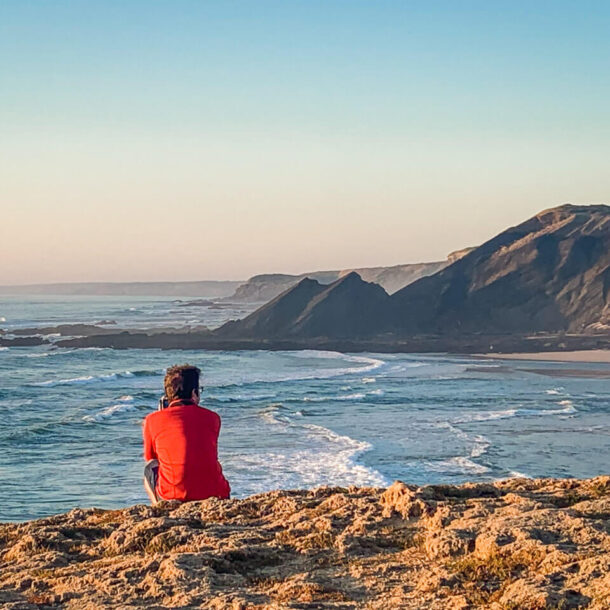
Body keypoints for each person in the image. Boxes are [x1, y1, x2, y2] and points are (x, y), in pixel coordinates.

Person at [143, 364, 230, 503]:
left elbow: (151, 458)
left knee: (149, 468)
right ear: (194, 393)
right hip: (217, 494)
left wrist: (161, 417)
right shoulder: (213, 418)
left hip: (175, 496)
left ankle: (159, 507)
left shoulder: (152, 420)